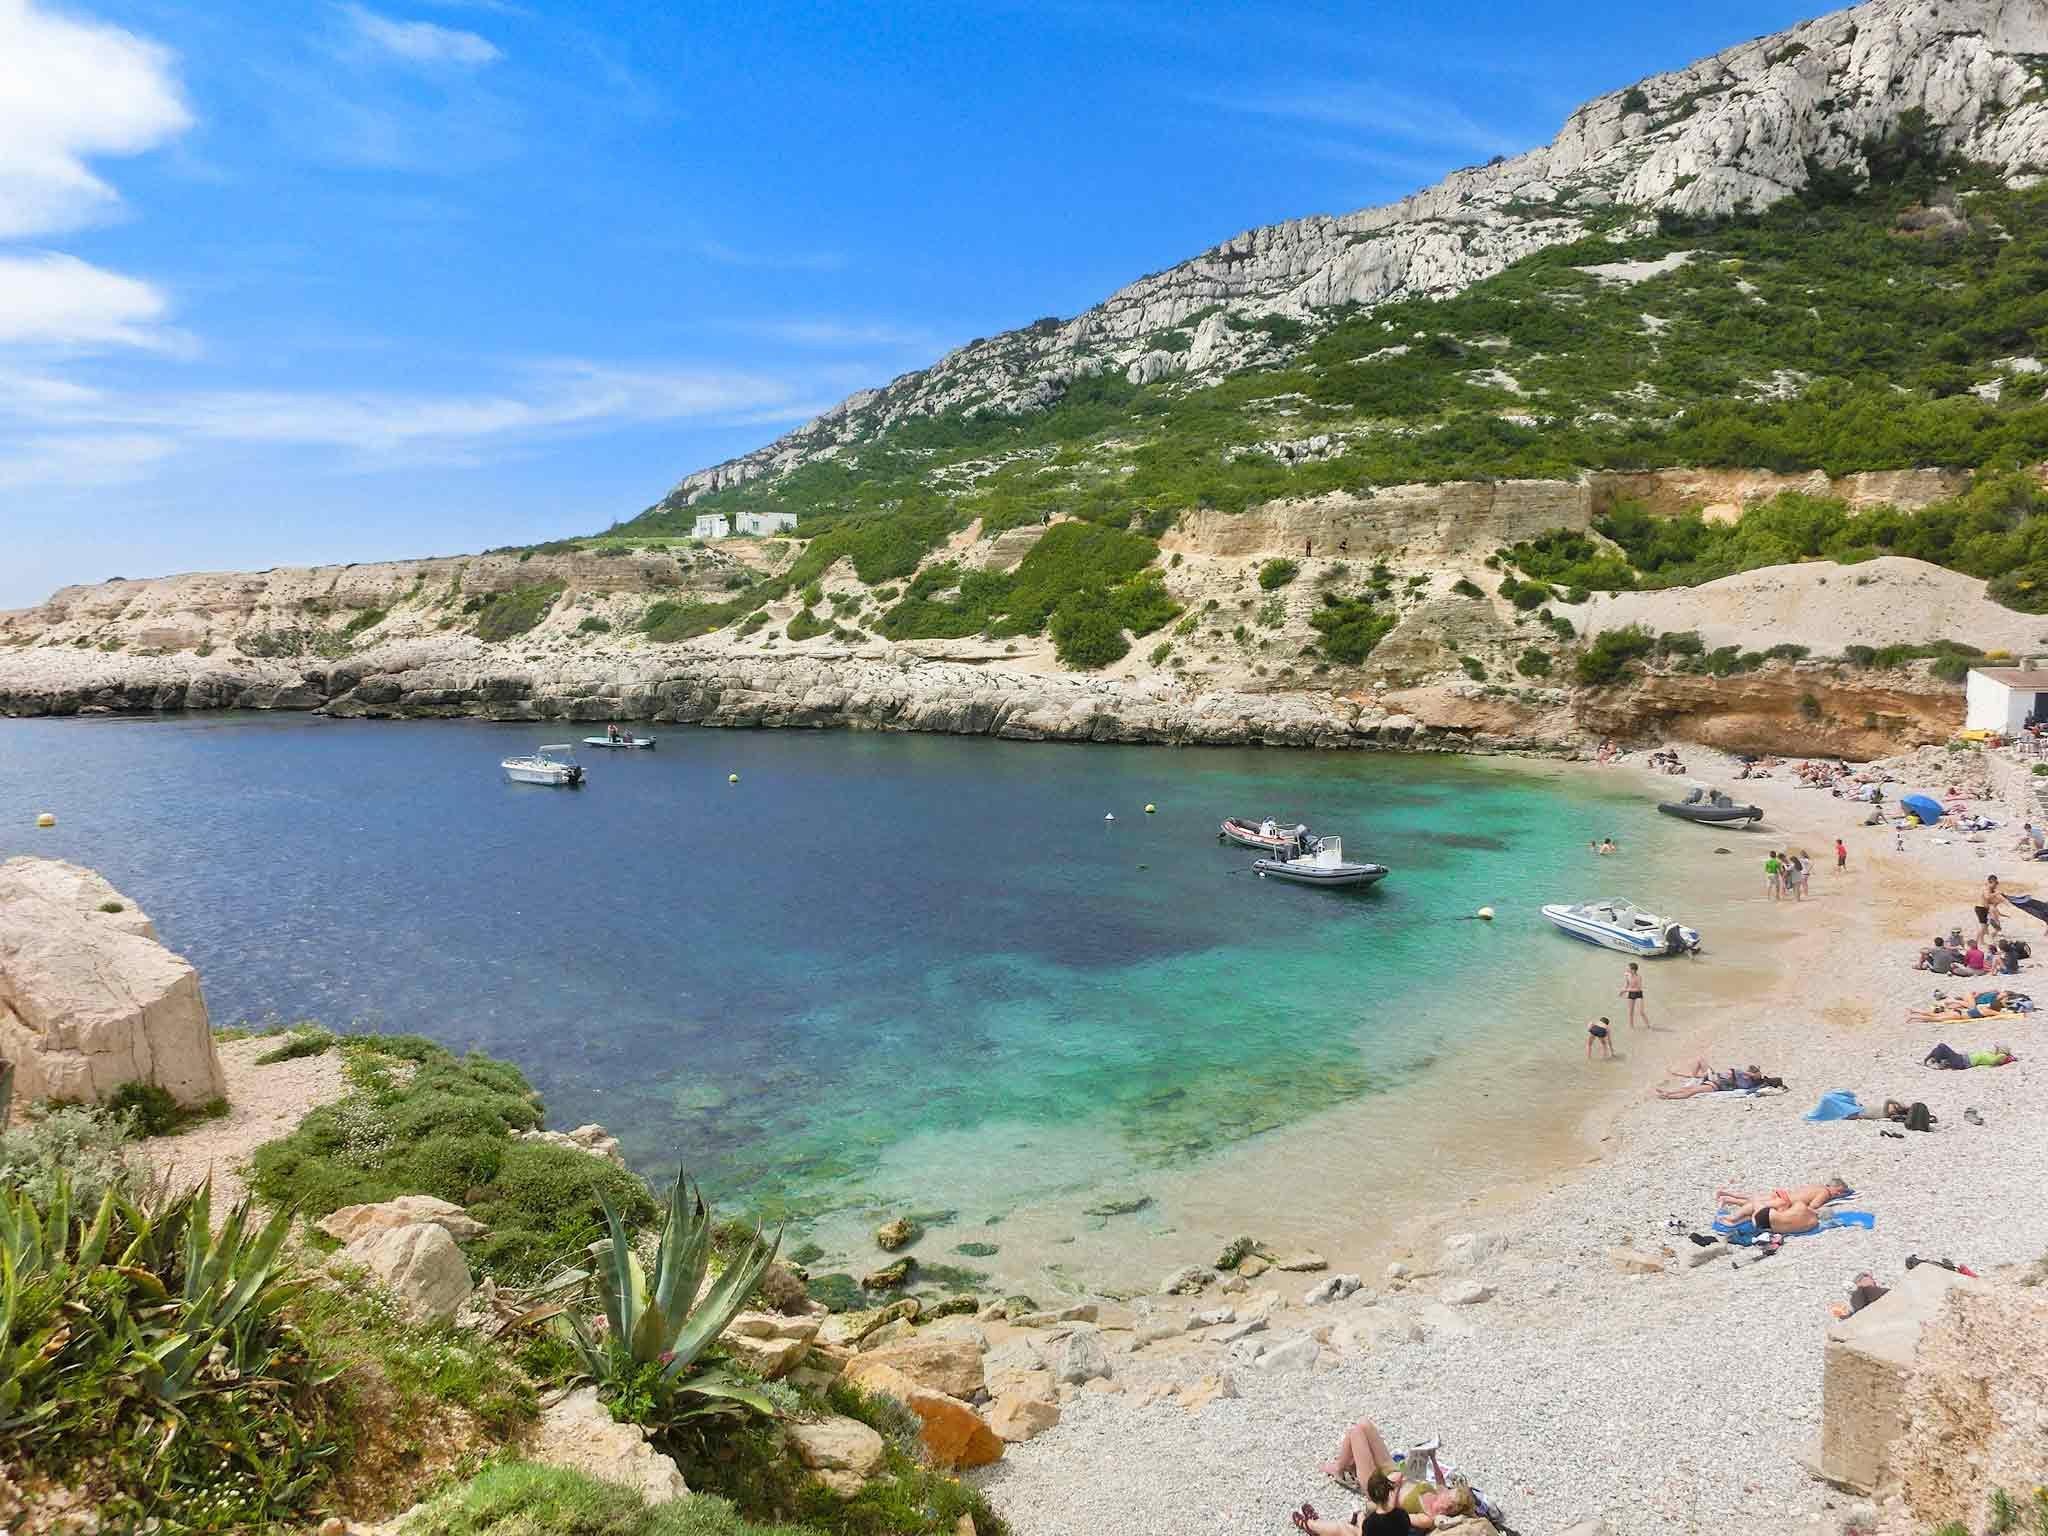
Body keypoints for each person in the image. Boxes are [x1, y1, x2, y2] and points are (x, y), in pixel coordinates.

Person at [1716, 1177, 1851, 1231]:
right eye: (1838, 1192)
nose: (1838, 1195)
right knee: (1756, 1203)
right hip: (1786, 1202)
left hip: (1784, 1195)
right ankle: (1730, 1208)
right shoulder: (1825, 1192)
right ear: (1833, 1187)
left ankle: (1728, 1197)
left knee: (1754, 1201)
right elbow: (1814, 1206)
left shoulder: (1817, 1185)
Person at [1924, 1042, 2017, 1069]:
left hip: (1962, 1062)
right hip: (1962, 1059)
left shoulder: (1998, 1057)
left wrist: (2004, 1056)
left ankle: (1936, 1062)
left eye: (1997, 1048)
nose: (1995, 1048)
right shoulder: (1992, 1054)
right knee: (1939, 1049)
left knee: (1942, 1046)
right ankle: (1931, 1060)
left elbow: (1995, 1061)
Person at [1977, 876, 2006, 944]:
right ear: (1991, 882)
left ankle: (1983, 940)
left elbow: (1992, 899)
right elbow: (1987, 897)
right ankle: (1980, 941)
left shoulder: (1990, 889)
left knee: (1986, 926)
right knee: (1983, 927)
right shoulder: (1986, 888)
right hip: (1981, 909)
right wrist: (1997, 893)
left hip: (1985, 909)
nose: (1996, 884)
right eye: (1995, 883)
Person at [1620, 961, 1648, 1028]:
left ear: (1633, 970)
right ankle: (1631, 1027)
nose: (1627, 969)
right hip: (1631, 993)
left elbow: (1638, 989)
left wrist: (1626, 990)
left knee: (1641, 1012)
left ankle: (1648, 1026)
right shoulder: (1627, 975)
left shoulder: (1638, 977)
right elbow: (1627, 984)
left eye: (1628, 968)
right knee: (1630, 1012)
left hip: (1638, 993)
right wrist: (1622, 992)